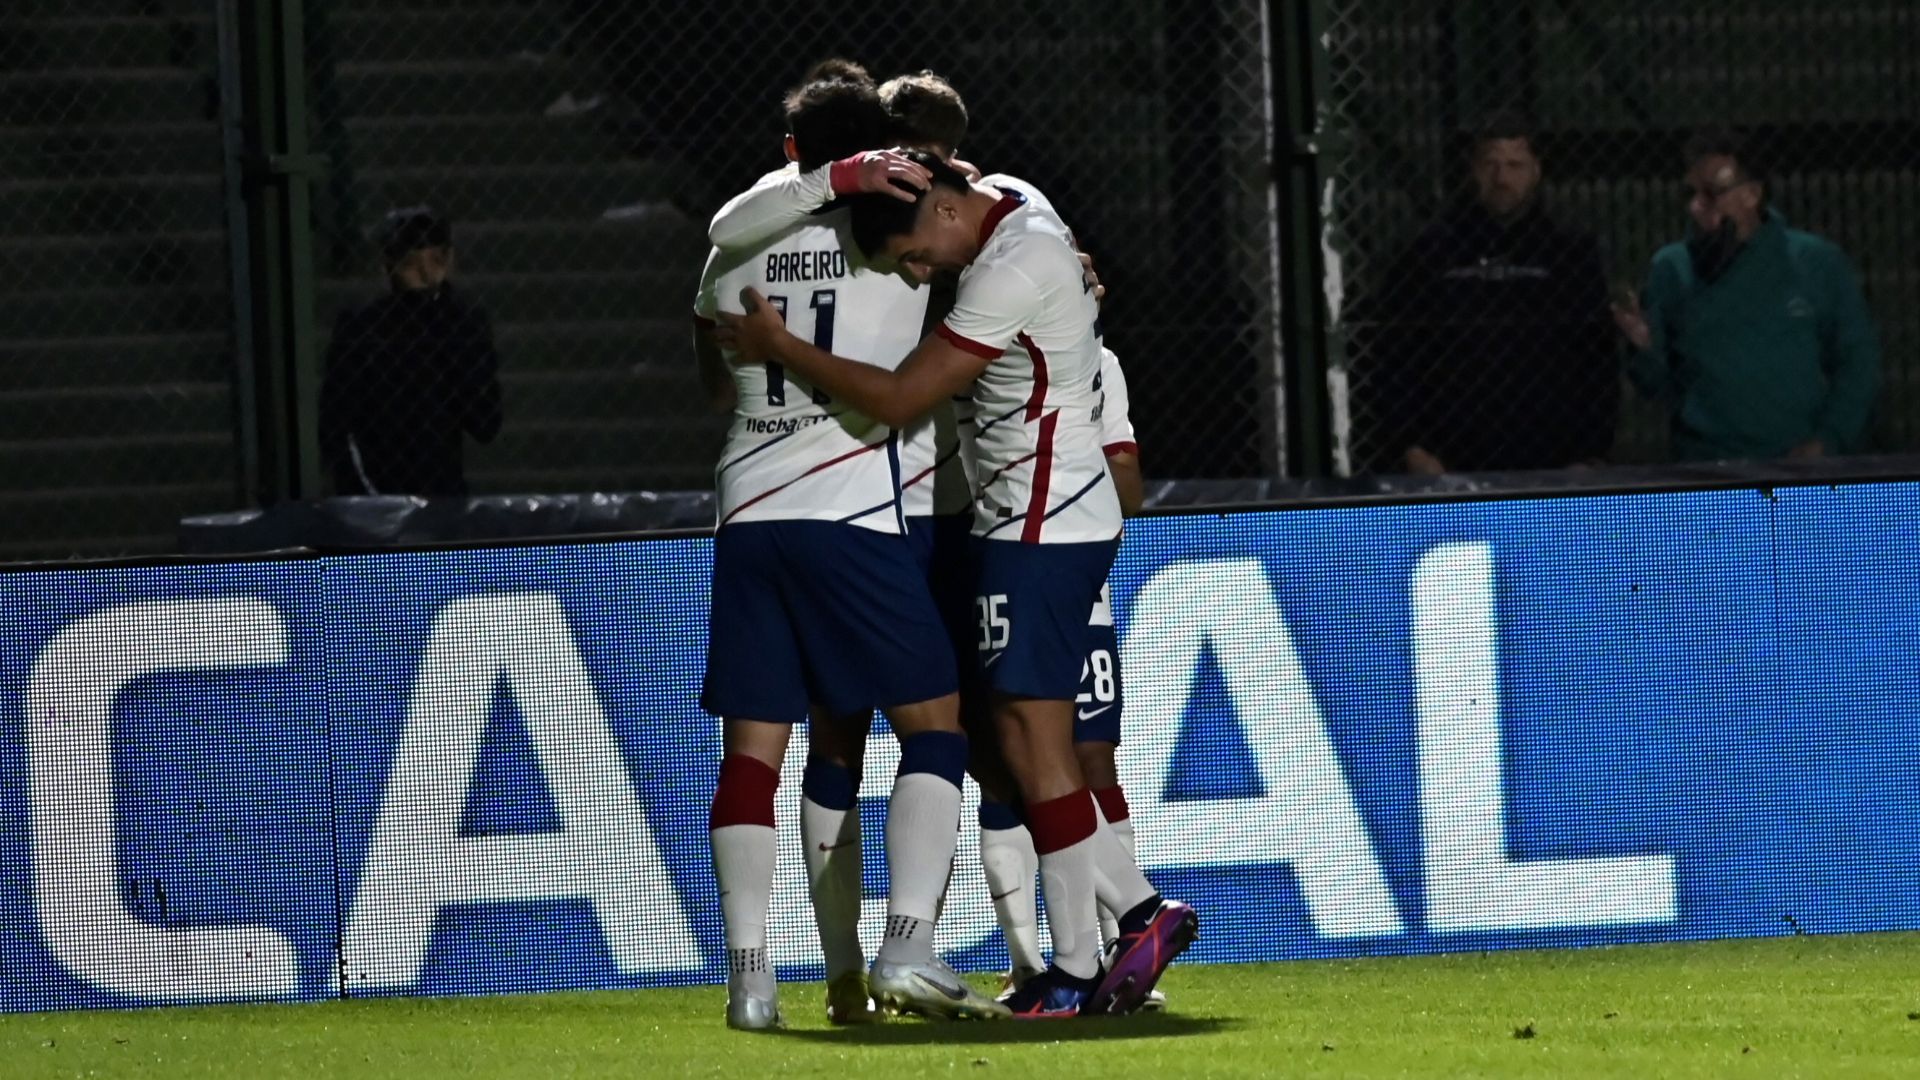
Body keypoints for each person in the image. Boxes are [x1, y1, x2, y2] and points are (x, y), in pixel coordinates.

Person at [719, 152, 1197, 1019]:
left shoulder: (1011, 267)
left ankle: (1104, 946)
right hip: (1030, 523)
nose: (916, 274)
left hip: (1039, 526)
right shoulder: (1014, 205)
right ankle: (1106, 938)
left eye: (916, 255)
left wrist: (782, 347)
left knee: (1036, 747)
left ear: (943, 211)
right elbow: (966, 172)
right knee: (1010, 743)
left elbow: (903, 397)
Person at [690, 60, 1004, 1031]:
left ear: (793, 152)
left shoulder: (732, 253)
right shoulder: (888, 239)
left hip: (747, 515)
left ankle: (751, 980)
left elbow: (713, 359)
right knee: (935, 724)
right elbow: (968, 233)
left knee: (754, 755)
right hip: (853, 520)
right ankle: (906, 943)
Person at [1356, 112, 1615, 474]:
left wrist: (1590, 453)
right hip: (1449, 456)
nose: (1502, 178)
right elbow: (1397, 353)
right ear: (1473, 170)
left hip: (1552, 456)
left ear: (1535, 171)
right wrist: (1410, 444)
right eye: (1491, 164)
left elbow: (1596, 358)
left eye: (1514, 165)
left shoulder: (1570, 252)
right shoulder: (1429, 253)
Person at [1613, 129, 1881, 462]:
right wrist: (1644, 349)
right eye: (1691, 194)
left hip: (1798, 461)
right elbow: (1655, 385)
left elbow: (1857, 360)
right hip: (1706, 465)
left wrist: (1828, 440)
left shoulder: (1815, 263)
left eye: (1711, 194)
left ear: (1751, 194)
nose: (1695, 207)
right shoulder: (1673, 268)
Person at [319, 207, 502, 496]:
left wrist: (437, 317)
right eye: (411, 262)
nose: (426, 272)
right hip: (377, 496)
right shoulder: (365, 327)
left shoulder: (461, 323)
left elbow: (485, 420)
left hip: (439, 495)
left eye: (435, 259)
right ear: (388, 264)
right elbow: (335, 424)